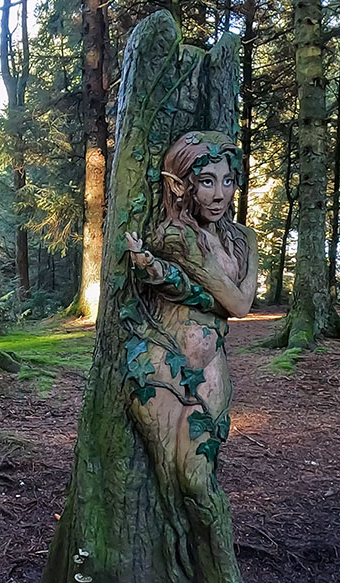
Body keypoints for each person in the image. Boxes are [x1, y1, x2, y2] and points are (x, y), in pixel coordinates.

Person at [124, 130, 258, 503]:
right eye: (206, 182)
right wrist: (163, 275)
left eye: (228, 181)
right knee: (168, 480)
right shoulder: (175, 237)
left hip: (213, 364)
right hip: (165, 364)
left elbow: (242, 305)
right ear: (183, 186)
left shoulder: (244, 238)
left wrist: (200, 294)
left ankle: (208, 552)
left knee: (198, 479)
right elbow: (231, 299)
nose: (219, 195)